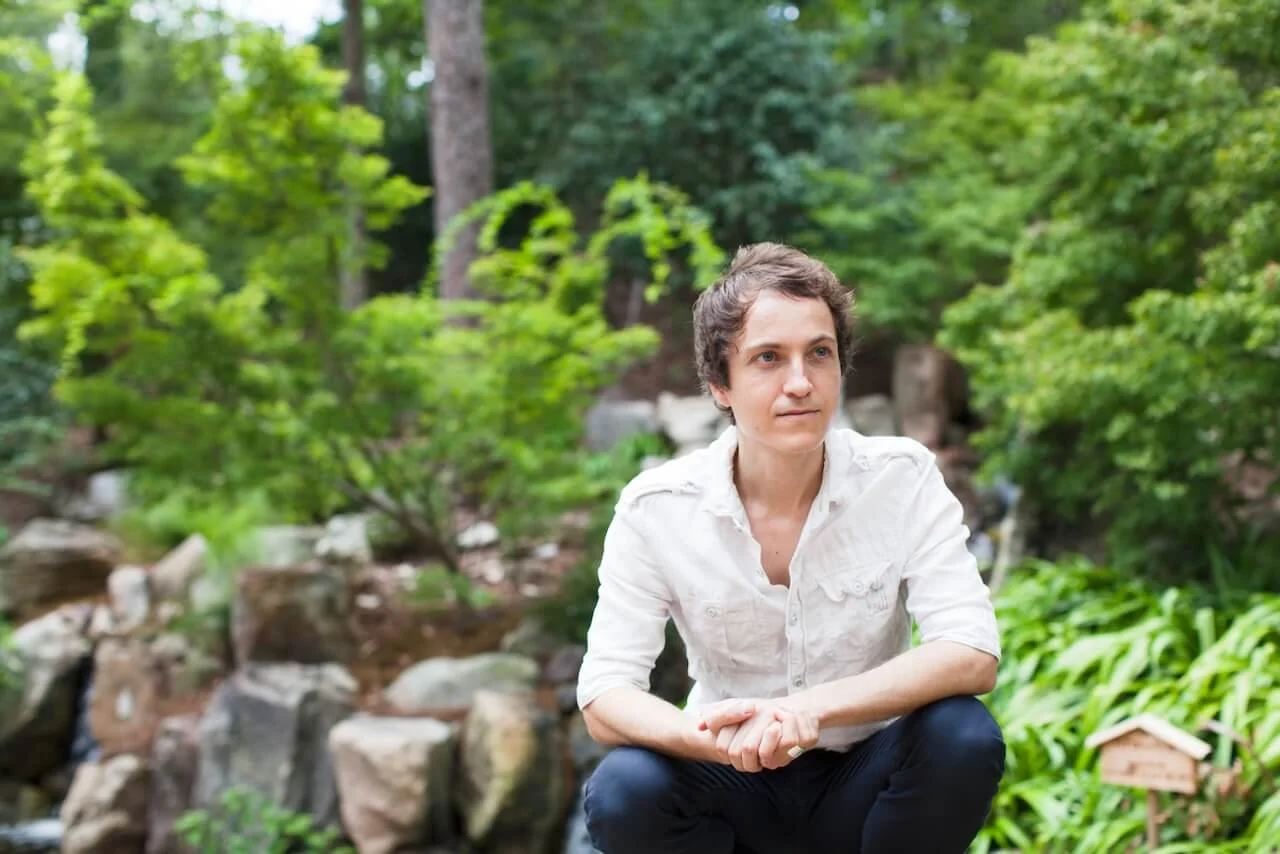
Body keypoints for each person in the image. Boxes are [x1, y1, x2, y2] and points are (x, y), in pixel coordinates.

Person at [575, 243, 1006, 854]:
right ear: (719, 384)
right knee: (625, 786)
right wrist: (711, 739)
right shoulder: (656, 507)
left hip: (866, 776)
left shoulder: (901, 477)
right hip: (728, 777)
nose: (800, 383)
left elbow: (970, 651)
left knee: (962, 734)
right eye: (768, 358)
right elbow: (605, 695)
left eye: (819, 353)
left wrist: (807, 710)